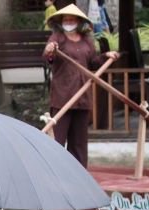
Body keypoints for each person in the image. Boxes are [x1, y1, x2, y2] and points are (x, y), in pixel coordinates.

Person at [43, 5, 119, 167]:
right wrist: (50, 50)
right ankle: (54, 172)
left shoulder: (87, 41)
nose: (68, 22)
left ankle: (79, 175)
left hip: (82, 97)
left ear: (78, 22)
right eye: (66, 20)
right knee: (57, 140)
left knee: (79, 143)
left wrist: (106, 56)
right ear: (61, 22)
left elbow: (93, 63)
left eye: (72, 20)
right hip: (62, 97)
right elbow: (48, 56)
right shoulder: (57, 38)